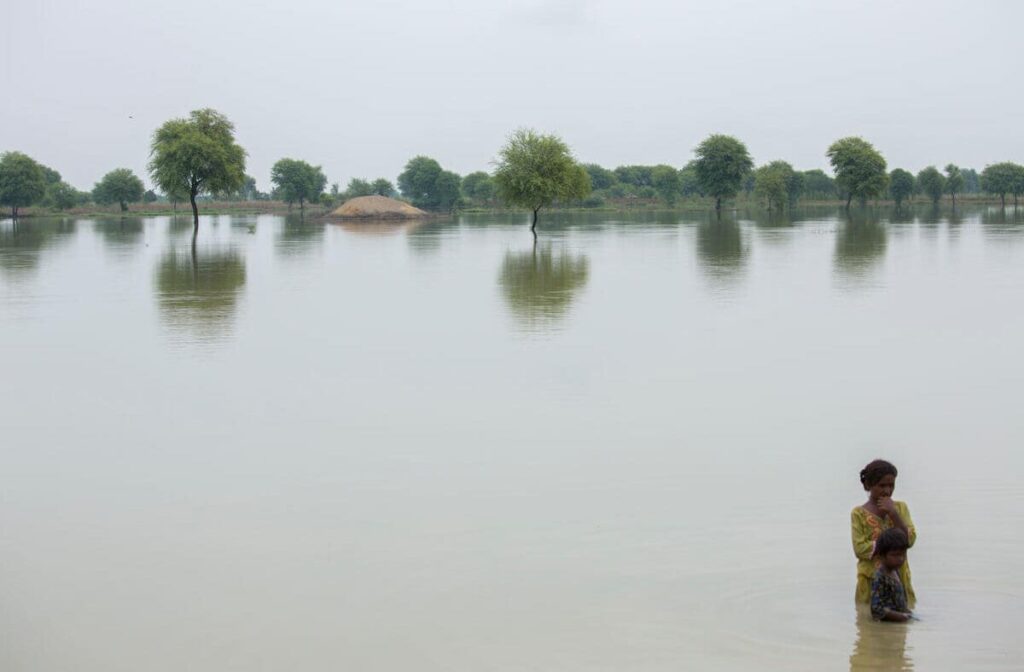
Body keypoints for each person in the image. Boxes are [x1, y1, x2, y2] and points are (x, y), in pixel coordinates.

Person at [851, 459, 916, 605]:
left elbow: (910, 539)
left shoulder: (900, 508)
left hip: (899, 577)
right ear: (869, 485)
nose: (887, 490)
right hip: (871, 579)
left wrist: (893, 514)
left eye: (891, 485)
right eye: (881, 486)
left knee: (902, 619)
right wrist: (889, 544)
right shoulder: (858, 514)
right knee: (869, 620)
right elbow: (859, 549)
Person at [870, 528, 913, 621]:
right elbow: (876, 609)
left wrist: (907, 612)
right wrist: (900, 617)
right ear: (881, 555)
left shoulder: (895, 571)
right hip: (886, 629)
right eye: (895, 555)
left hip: (899, 624)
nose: (900, 559)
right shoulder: (880, 577)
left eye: (903, 554)